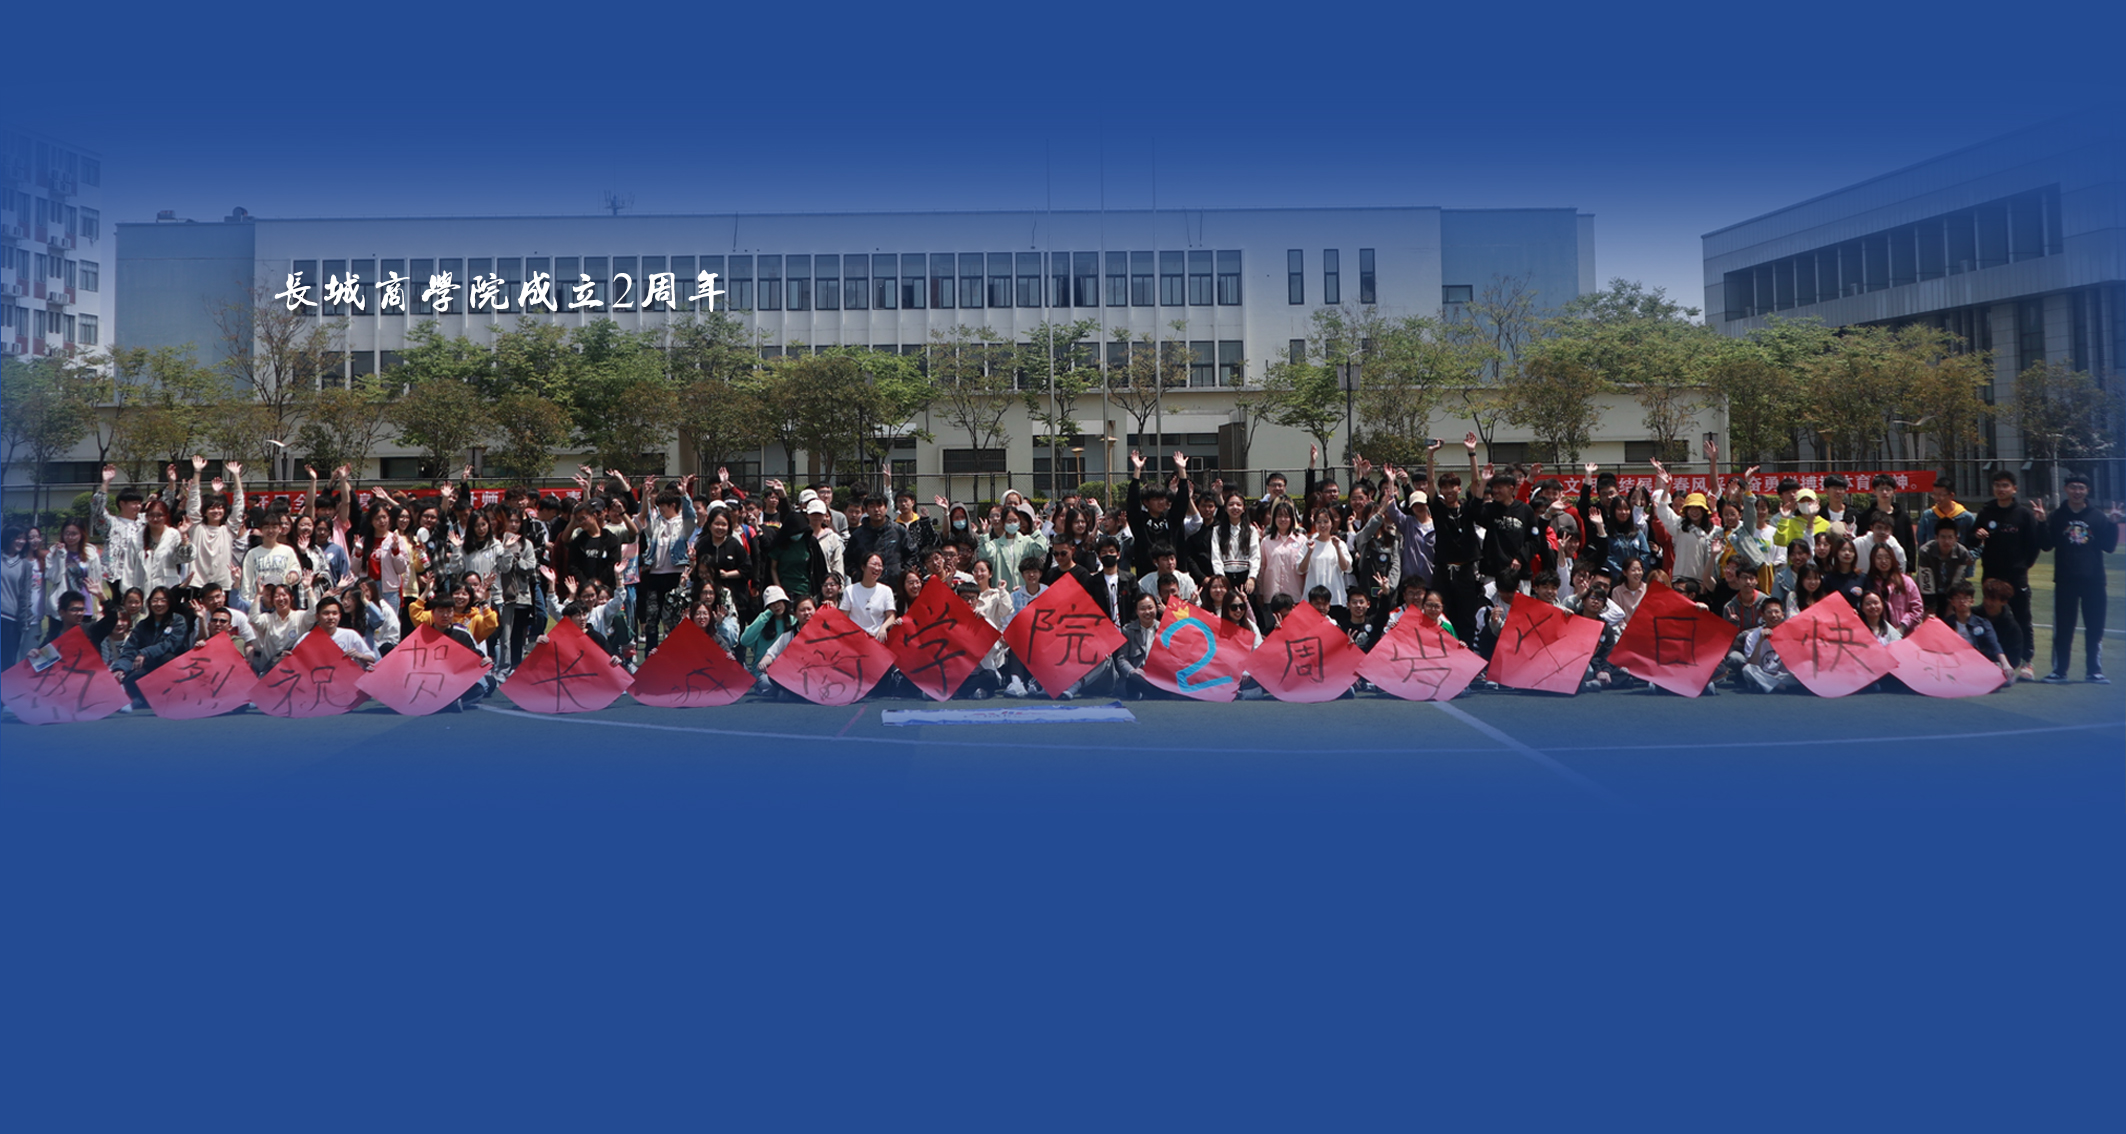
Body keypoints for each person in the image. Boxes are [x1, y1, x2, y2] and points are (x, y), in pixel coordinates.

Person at [2035, 473, 2118, 683]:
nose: (2077, 491)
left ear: (2087, 490)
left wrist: (2113, 524)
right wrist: (2042, 522)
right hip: (2065, 580)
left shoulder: (2097, 516)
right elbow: (2046, 545)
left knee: (2095, 627)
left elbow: (2109, 547)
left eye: (2081, 488)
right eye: (2073, 487)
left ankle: (2094, 671)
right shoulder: (2057, 516)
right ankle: (2059, 670)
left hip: (2094, 581)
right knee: (2063, 628)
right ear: (2066, 489)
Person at [1972, 470, 2041, 679]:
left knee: (2022, 617)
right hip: (1991, 574)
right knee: (1990, 616)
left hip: (2016, 575)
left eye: (2005, 485)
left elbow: (2034, 545)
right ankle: (1991, 659)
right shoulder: (1986, 512)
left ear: (2014, 489)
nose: (2000, 489)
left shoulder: (2024, 514)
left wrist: (2023, 566)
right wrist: (1977, 535)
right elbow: (1971, 540)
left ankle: (2027, 661)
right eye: (1997, 485)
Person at [113, 585, 192, 708]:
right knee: (130, 679)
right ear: (149, 603)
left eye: (163, 600)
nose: (159, 604)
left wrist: (145, 653)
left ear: (169, 603)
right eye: (155, 600)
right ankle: (143, 700)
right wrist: (120, 668)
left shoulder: (178, 620)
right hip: (149, 667)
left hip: (171, 668)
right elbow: (130, 649)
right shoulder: (142, 625)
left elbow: (172, 643)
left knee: (167, 658)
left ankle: (171, 698)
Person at [1941, 581, 2013, 684]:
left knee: (2006, 681)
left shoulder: (1983, 623)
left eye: (1966, 598)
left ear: (1972, 601)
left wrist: (2006, 664)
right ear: (1952, 602)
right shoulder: (1946, 624)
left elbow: (1994, 645)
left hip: (1977, 662)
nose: (1962, 601)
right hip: (1954, 663)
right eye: (1957, 598)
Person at [1863, 542, 1924, 637]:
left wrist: (1902, 627)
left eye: (1887, 557)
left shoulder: (1906, 582)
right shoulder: (1869, 583)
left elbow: (1917, 609)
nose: (1883, 561)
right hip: (1880, 635)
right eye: (1879, 558)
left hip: (1906, 635)